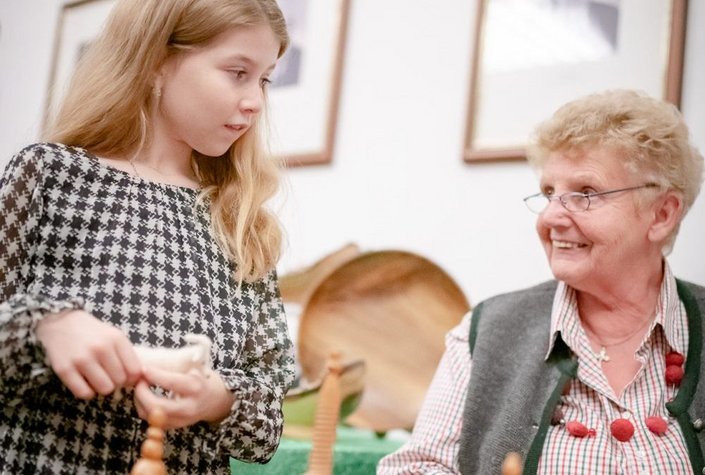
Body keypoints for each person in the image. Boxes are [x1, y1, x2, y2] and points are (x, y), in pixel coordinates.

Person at [0, 0, 295, 473]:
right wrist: (44, 326)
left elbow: (270, 412)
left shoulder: (240, 218)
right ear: (157, 61)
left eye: (264, 79)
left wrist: (217, 398)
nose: (256, 101)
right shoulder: (50, 176)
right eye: (237, 72)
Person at [378, 89, 705, 474]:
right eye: (550, 192)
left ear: (662, 214)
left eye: (585, 194)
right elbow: (416, 468)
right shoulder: (487, 331)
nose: (551, 217)